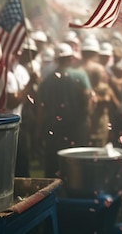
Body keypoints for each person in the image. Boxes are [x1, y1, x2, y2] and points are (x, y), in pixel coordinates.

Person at [36, 42, 94, 177]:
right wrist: (88, 118)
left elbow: (41, 109)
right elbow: (88, 98)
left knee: (53, 166)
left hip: (54, 128)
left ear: (56, 60)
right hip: (77, 127)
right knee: (78, 165)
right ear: (70, 58)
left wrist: (38, 130)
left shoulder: (46, 81)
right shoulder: (80, 75)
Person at [5, 37, 39, 177]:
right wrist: (30, 83)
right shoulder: (5, 72)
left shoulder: (22, 71)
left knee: (23, 165)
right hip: (6, 125)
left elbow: (31, 96)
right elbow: (12, 101)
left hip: (20, 122)